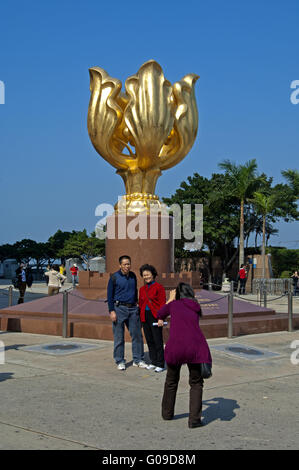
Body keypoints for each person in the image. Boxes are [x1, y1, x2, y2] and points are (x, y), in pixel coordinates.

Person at [157, 282, 212, 428]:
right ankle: (194, 420)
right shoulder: (196, 306)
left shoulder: (174, 305)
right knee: (196, 383)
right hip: (195, 347)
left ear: (178, 293)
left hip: (176, 347)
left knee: (171, 380)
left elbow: (159, 313)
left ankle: (167, 414)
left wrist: (170, 299)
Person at [107, 255, 146, 371]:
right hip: (119, 308)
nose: (127, 266)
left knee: (137, 335)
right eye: (124, 264)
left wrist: (137, 303)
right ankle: (120, 360)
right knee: (119, 337)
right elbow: (109, 296)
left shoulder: (133, 276)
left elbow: (134, 291)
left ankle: (138, 359)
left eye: (128, 264)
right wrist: (111, 311)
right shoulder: (114, 277)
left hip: (133, 309)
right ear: (120, 265)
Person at [139, 264, 166, 372]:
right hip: (144, 317)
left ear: (153, 275)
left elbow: (163, 304)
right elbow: (140, 303)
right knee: (149, 340)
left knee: (157, 340)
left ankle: (160, 363)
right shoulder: (142, 289)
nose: (146, 277)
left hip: (155, 316)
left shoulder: (159, 287)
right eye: (144, 275)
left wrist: (161, 318)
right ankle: (153, 361)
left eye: (148, 274)